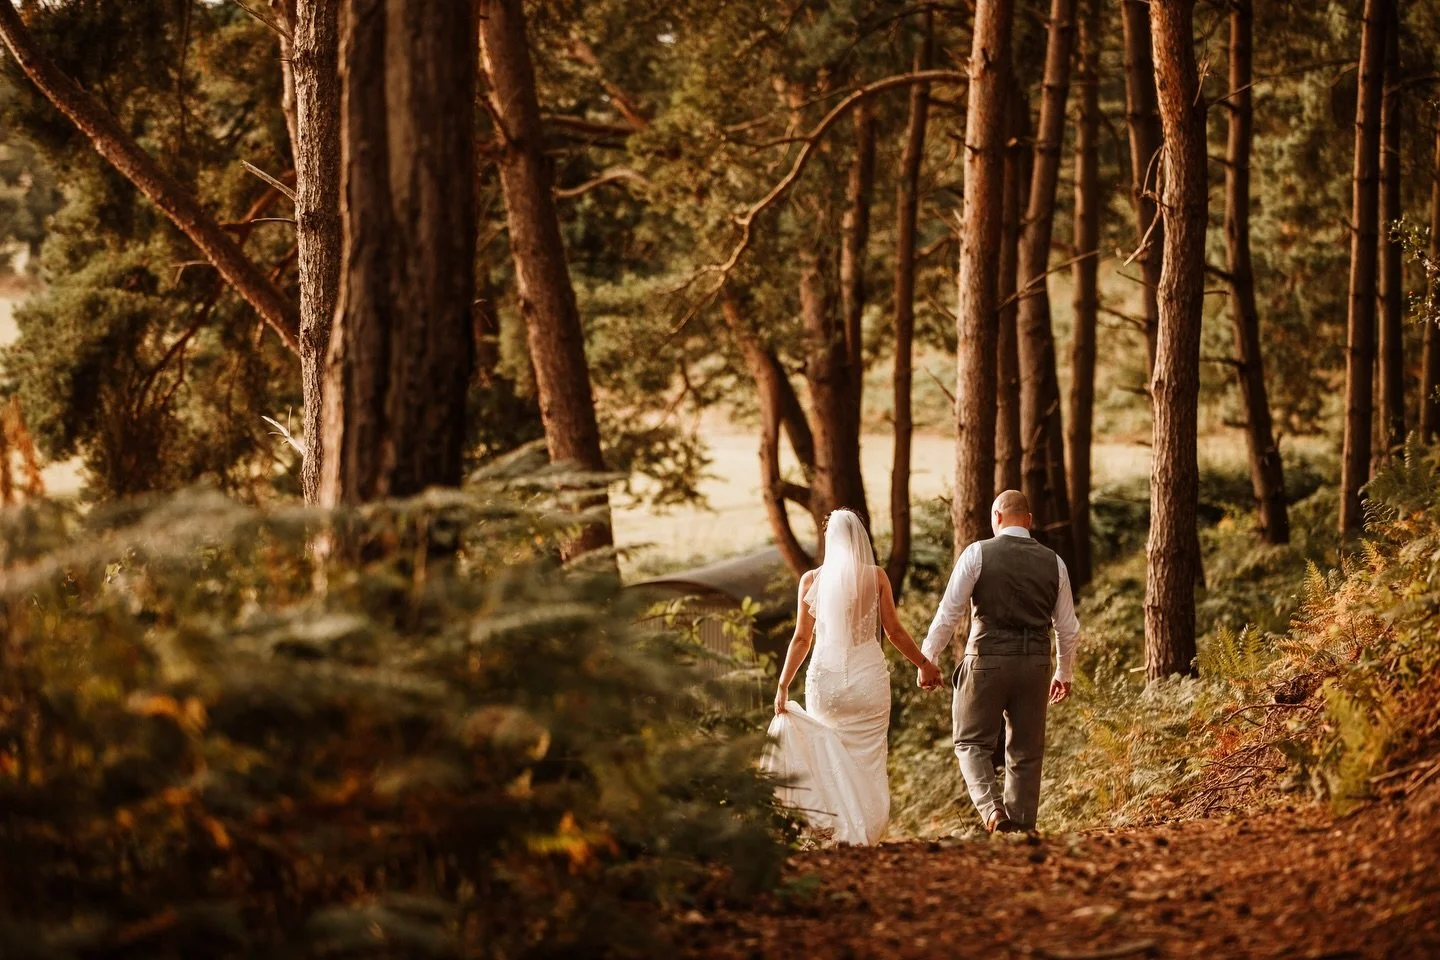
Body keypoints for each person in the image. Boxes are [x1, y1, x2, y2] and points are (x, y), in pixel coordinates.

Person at [761, 509, 942, 845]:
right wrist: (924, 664)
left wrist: (783, 684)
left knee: (829, 757)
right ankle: (864, 831)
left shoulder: (812, 581)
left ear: (830, 541)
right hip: (867, 681)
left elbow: (802, 638)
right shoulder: (877, 578)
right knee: (868, 759)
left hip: (826, 684)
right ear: (859, 540)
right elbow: (895, 632)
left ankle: (835, 831)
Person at [919, 489, 1080, 834]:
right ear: (1029, 520)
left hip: (987, 660)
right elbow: (1067, 628)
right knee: (1025, 750)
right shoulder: (1055, 562)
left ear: (997, 517)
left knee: (971, 743)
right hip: (1035, 664)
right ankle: (1022, 830)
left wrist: (928, 657)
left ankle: (993, 813)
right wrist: (1064, 672)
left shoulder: (977, 553)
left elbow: (949, 612)